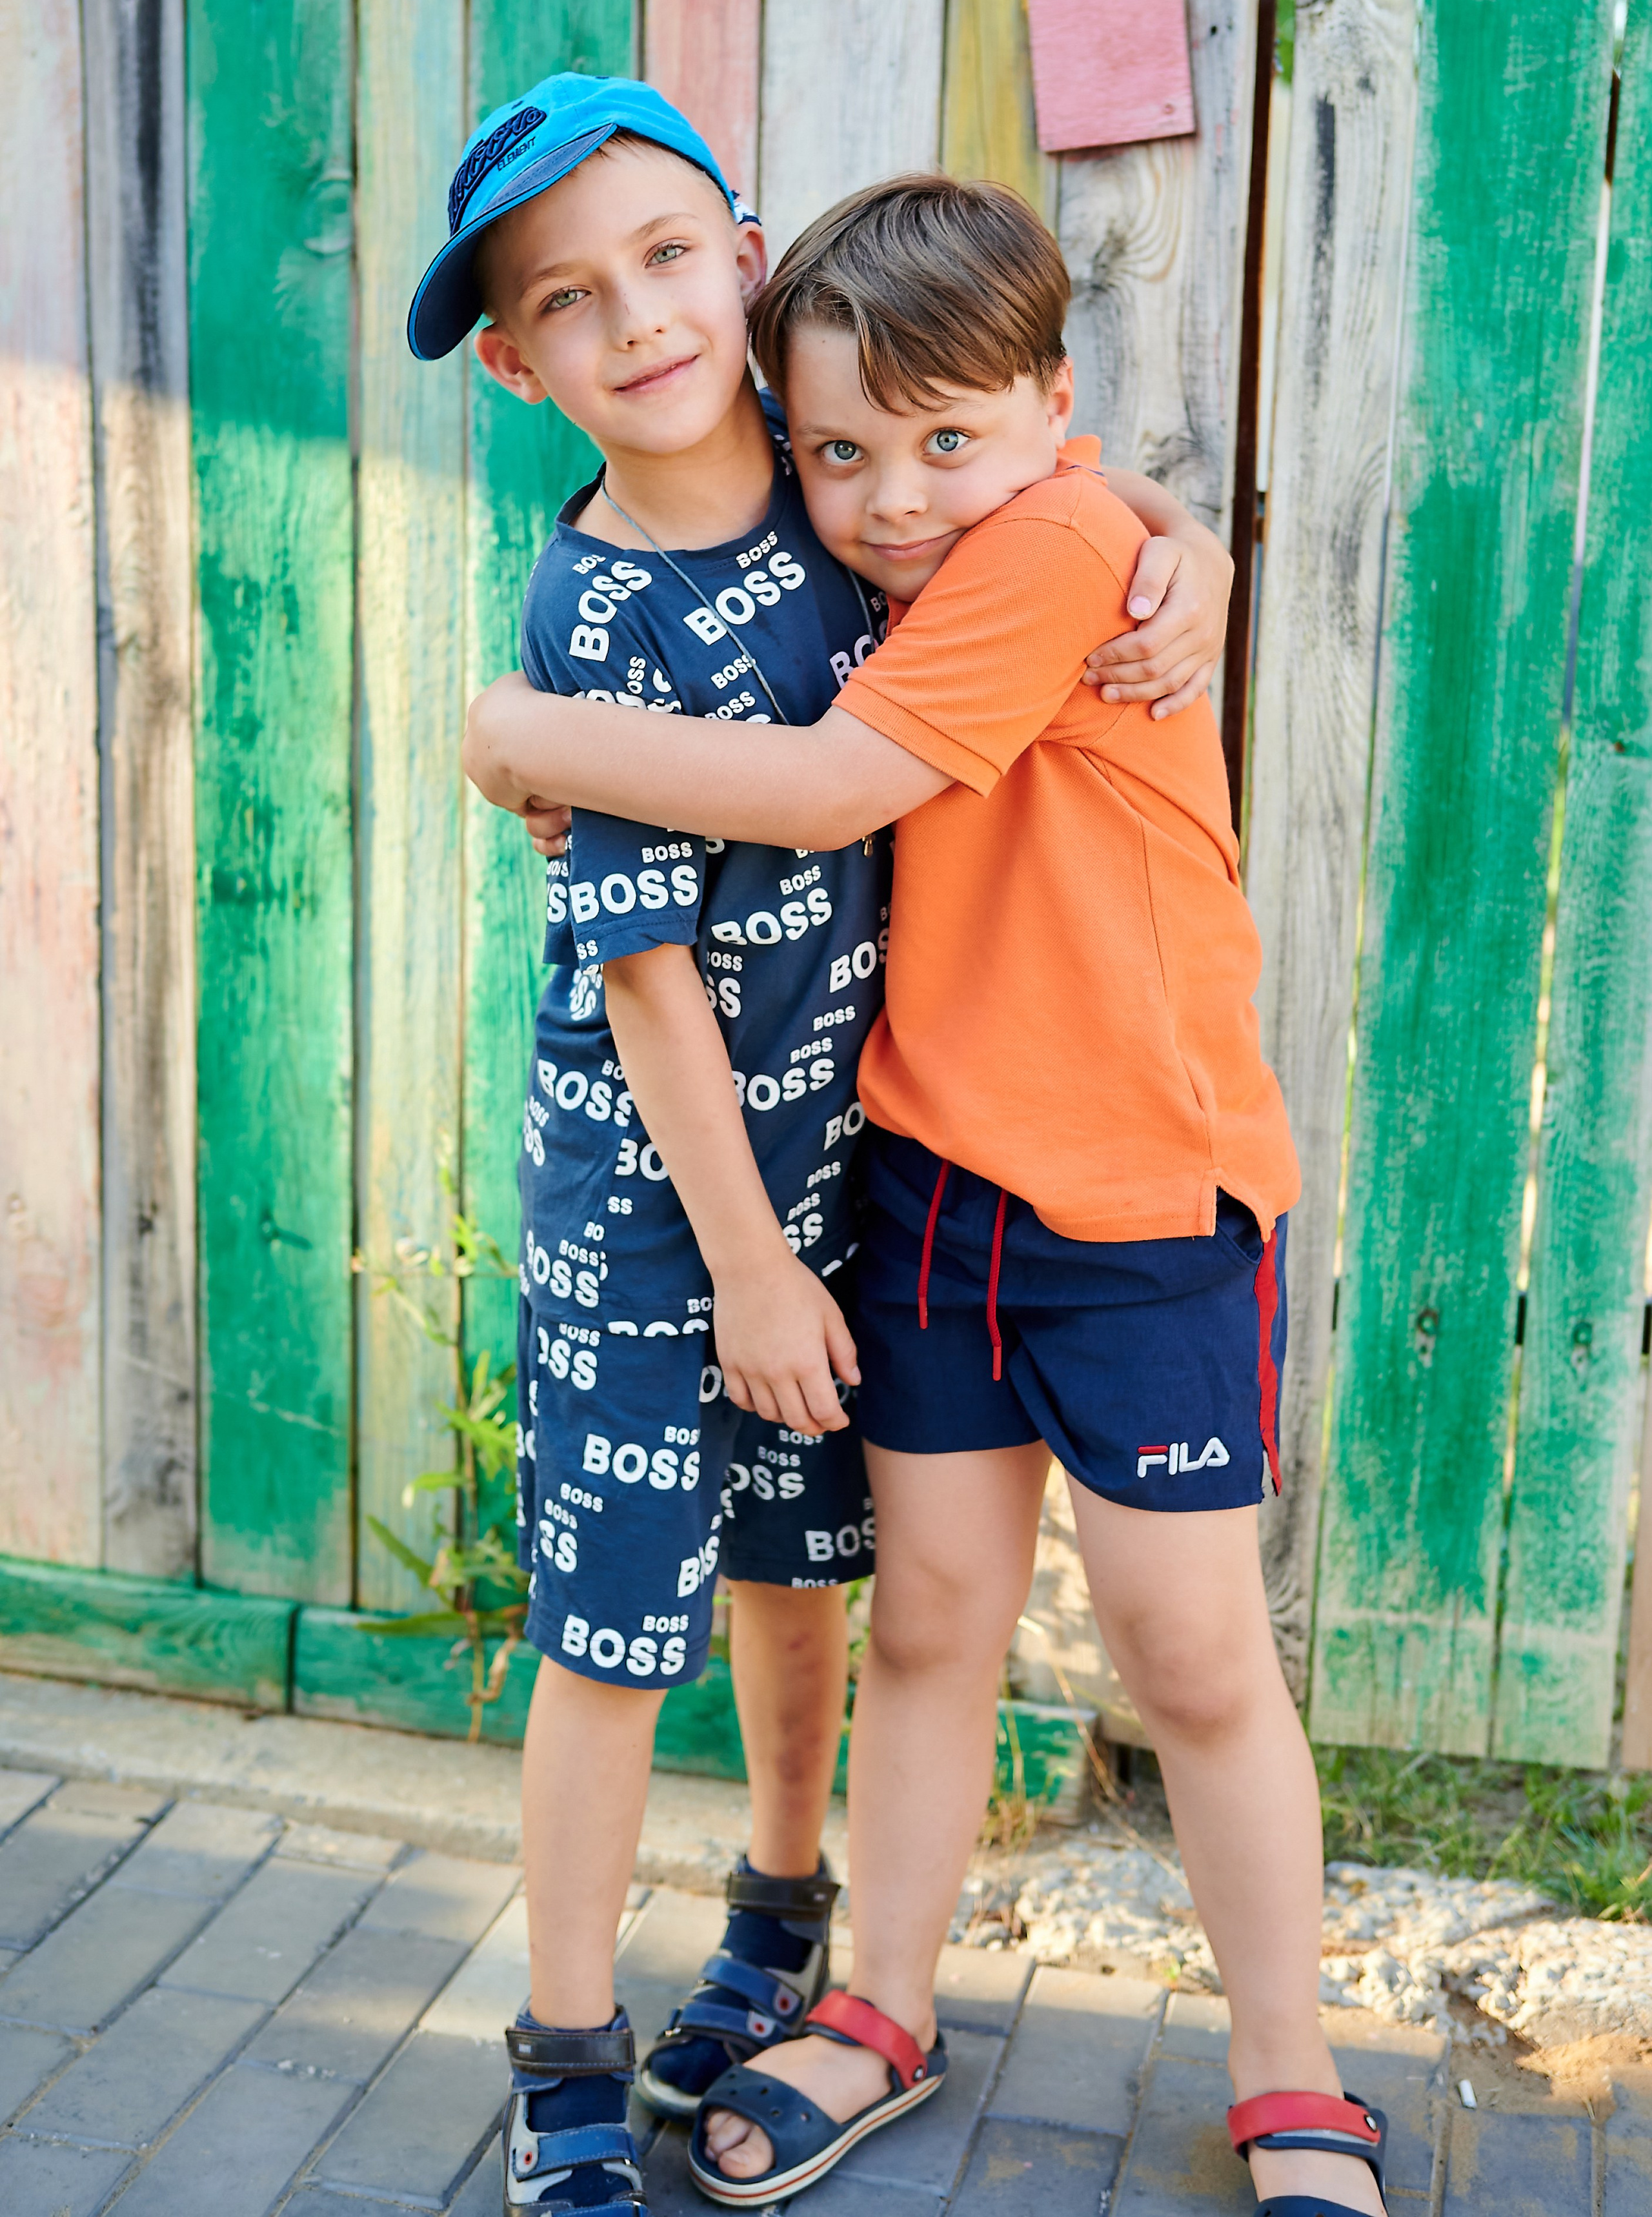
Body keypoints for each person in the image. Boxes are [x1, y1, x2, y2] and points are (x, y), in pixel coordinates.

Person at [463, 174, 1390, 2217]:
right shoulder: (865, 541)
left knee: (1197, 1654)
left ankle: (1293, 2071)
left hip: (1139, 1196)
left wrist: (517, 724)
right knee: (934, 1626)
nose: (889, 496)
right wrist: (1168, 516)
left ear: (1052, 415)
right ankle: (878, 2002)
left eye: (941, 447)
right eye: (844, 454)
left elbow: (819, 791)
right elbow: (901, 443)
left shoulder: (1048, 538)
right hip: (927, 1190)